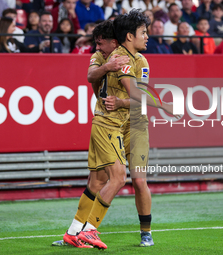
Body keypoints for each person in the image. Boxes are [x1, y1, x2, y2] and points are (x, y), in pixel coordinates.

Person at [75, 10, 176, 249]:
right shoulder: (113, 57)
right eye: (143, 32)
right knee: (104, 179)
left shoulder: (141, 60)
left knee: (139, 180)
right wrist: (164, 105)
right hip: (112, 123)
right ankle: (81, 230)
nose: (147, 36)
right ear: (129, 36)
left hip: (136, 124)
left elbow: (138, 97)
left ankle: (146, 232)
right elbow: (97, 79)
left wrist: (123, 103)